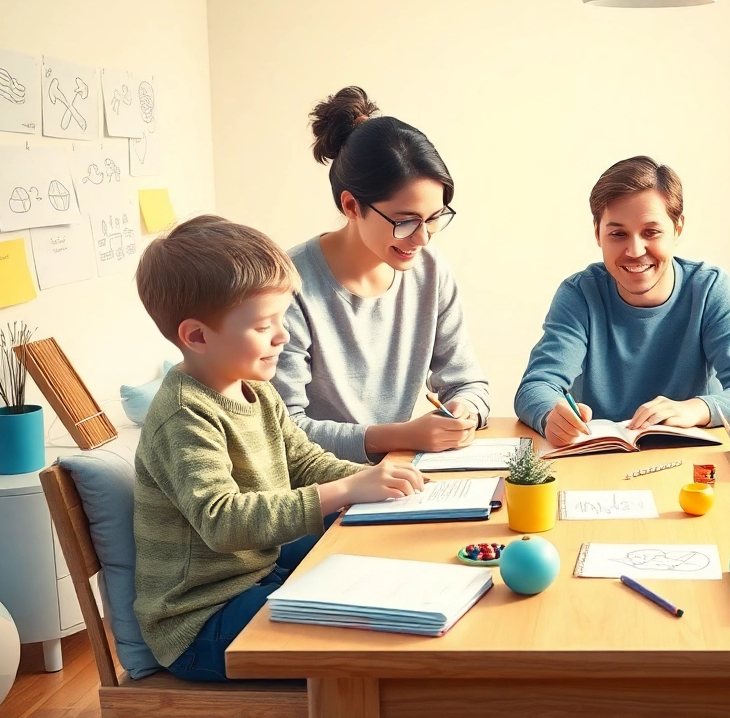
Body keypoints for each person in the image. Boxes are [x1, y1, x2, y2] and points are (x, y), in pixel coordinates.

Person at [132, 215, 425, 681]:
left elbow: (303, 460)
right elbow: (223, 521)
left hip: (257, 571)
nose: (283, 336)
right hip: (204, 617)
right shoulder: (185, 414)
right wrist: (346, 491)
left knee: (380, 551)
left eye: (282, 318)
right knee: (362, 641)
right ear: (197, 337)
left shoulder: (252, 387)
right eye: (264, 325)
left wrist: (371, 482)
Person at [273, 86, 488, 463]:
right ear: (352, 206)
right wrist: (398, 436)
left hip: (400, 477)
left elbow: (467, 382)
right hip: (324, 491)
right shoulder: (287, 287)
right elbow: (286, 431)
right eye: (405, 222)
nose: (422, 238)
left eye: (435, 218)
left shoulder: (431, 271)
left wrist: (467, 410)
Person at [515, 155, 730, 446]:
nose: (635, 250)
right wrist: (551, 414)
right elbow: (535, 387)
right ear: (597, 234)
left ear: (678, 229)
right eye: (618, 233)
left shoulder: (709, 288)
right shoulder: (579, 294)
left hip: (690, 459)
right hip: (600, 458)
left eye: (651, 232)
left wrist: (694, 408)